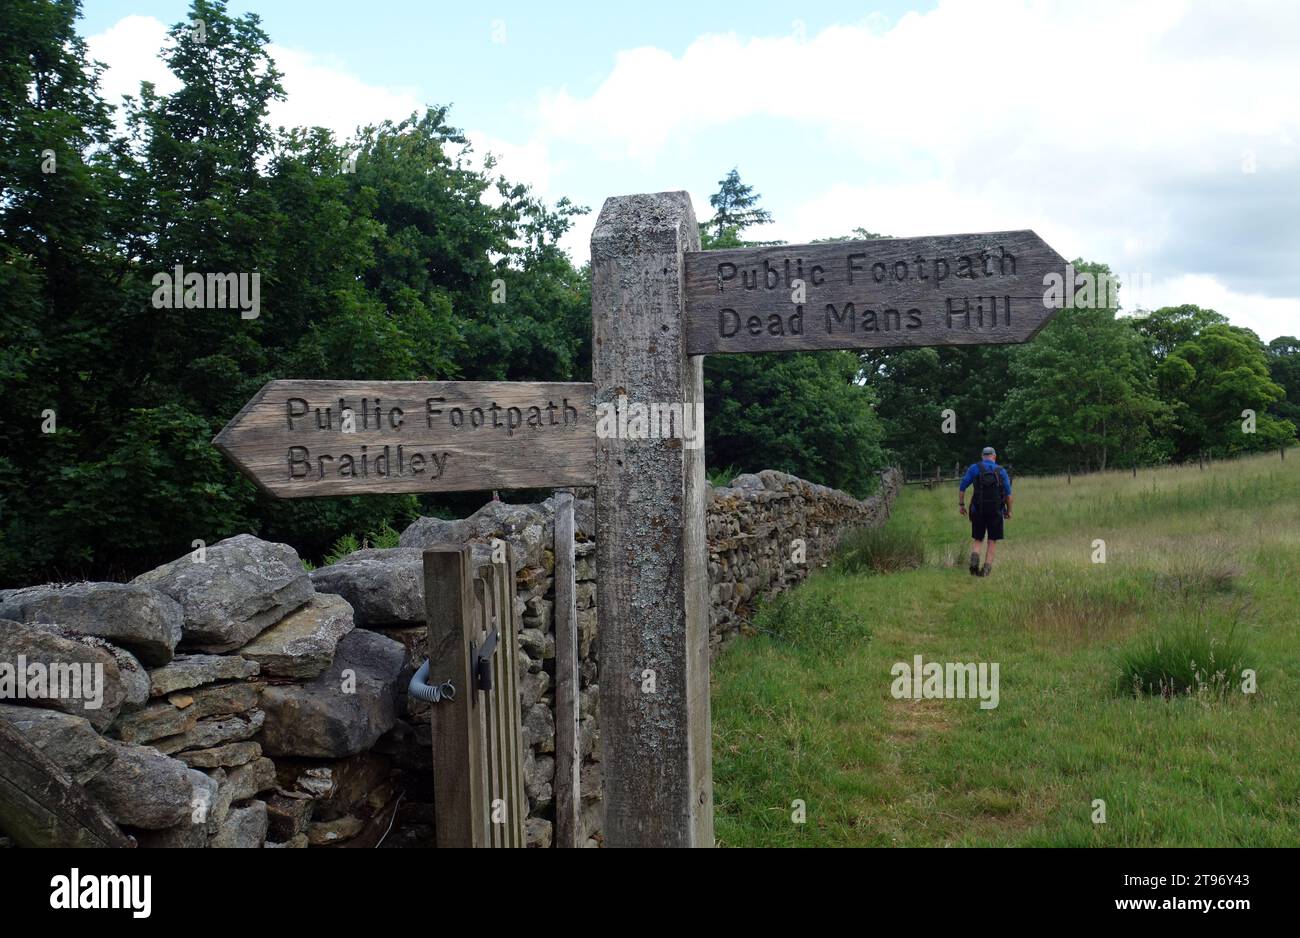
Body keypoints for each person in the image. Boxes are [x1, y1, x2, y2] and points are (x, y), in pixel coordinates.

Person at [958, 446, 1013, 577]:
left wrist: (961, 504)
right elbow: (1009, 495)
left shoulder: (974, 468)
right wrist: (1009, 511)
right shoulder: (1001, 471)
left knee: (978, 539)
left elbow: (962, 487)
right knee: (992, 540)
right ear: (994, 456)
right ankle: (986, 570)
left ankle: (974, 561)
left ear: (982, 456)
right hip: (996, 511)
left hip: (978, 510)